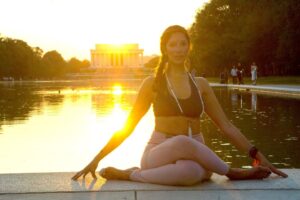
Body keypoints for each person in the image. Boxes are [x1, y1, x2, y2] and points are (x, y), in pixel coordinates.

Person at [72, 25, 287, 186]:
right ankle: (232, 172)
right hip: (158, 153)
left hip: (197, 152)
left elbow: (226, 126)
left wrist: (260, 157)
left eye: (183, 44)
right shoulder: (152, 84)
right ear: (165, 48)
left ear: (189, 47)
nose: (178, 49)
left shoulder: (201, 84)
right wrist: (96, 159)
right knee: (183, 141)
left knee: (192, 173)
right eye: (172, 44)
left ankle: (131, 175)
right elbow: (128, 127)